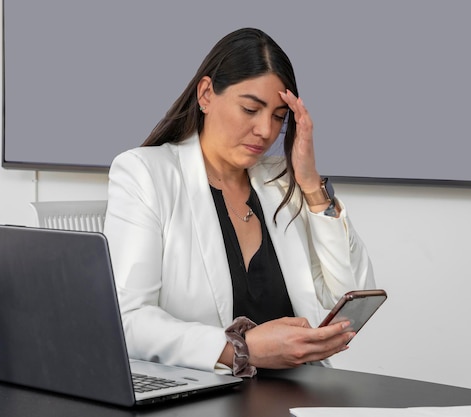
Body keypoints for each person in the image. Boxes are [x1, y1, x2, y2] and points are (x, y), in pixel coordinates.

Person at [104, 27, 374, 377]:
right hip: (207, 394)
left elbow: (350, 297)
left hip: (300, 390)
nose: (266, 130)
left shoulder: (282, 182)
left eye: (279, 116)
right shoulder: (146, 173)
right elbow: (128, 320)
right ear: (205, 94)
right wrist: (241, 349)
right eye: (250, 109)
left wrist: (310, 185)